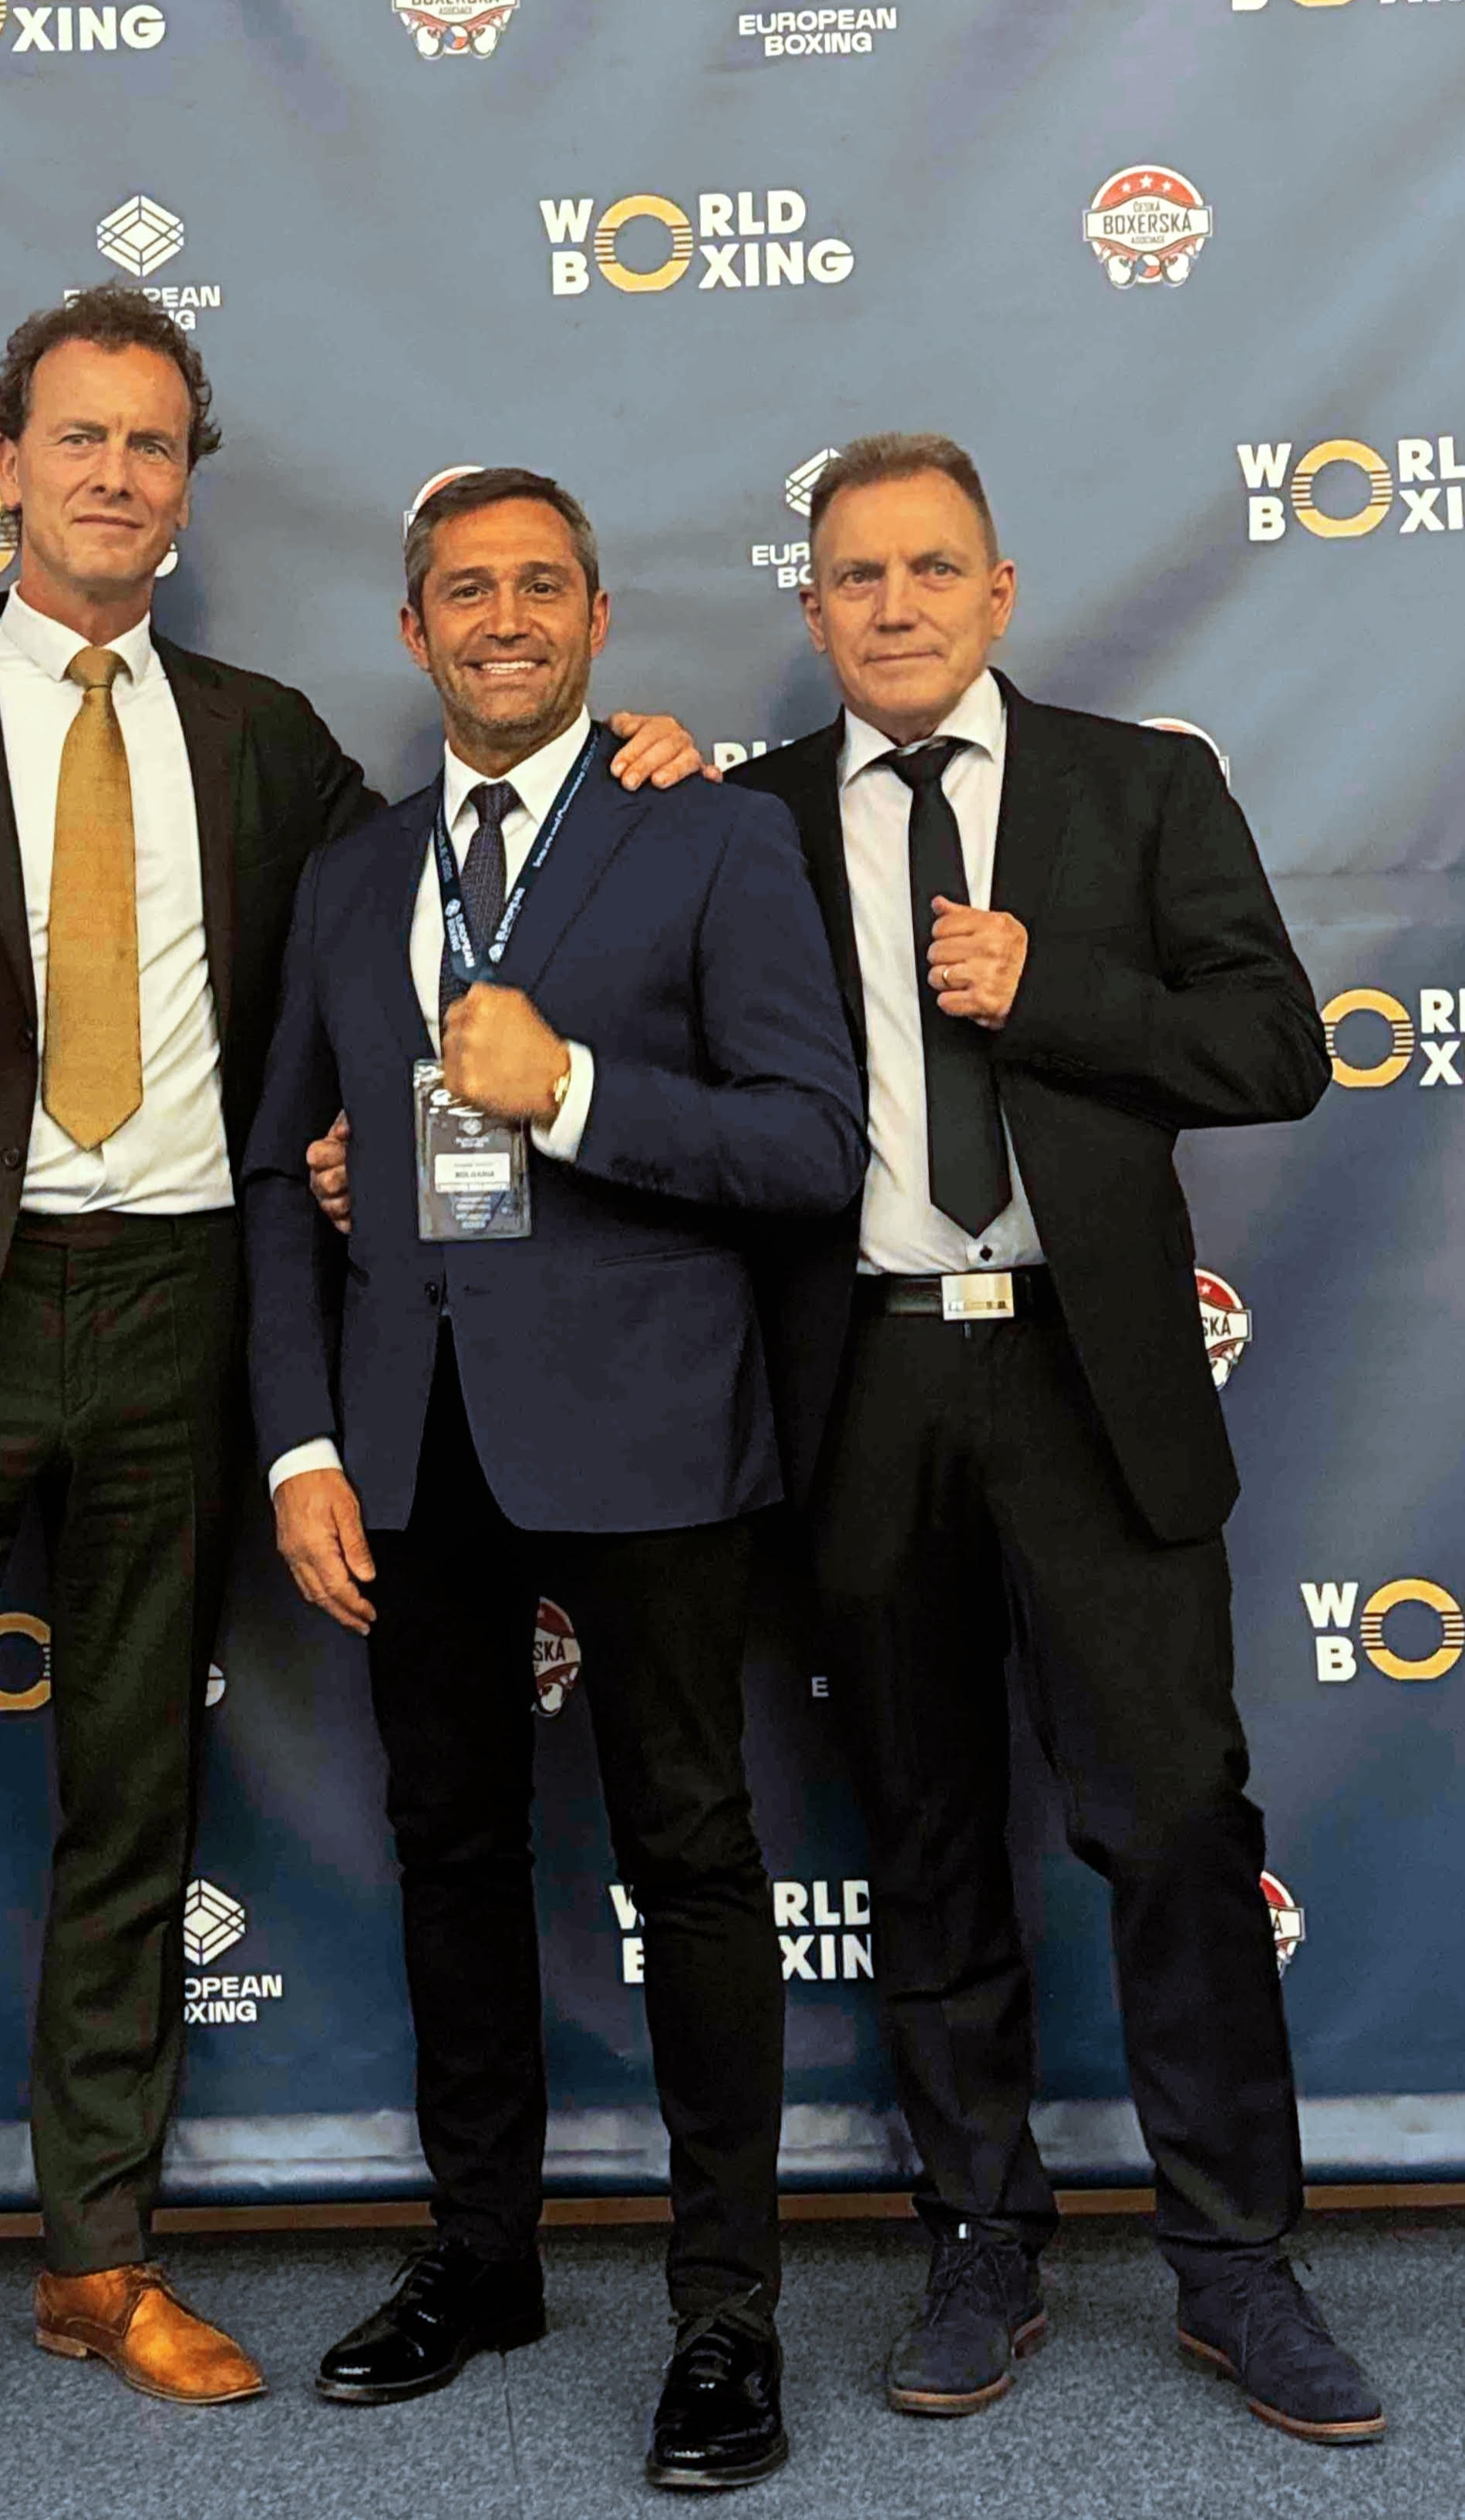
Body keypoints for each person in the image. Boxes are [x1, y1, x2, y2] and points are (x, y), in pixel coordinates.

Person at [0, 295, 706, 2509]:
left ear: (183, 487)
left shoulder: (258, 737)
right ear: (6, 469)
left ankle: (98, 2257)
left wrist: (653, 768)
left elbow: (445, 885)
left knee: (132, 1811)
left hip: (173, 1316)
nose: (117, 475)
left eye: (152, 445)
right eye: (80, 439)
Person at [723, 436, 1380, 2443]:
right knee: (925, 1838)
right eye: (856, 574)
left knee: (1174, 1820)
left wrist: (1052, 990)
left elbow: (1275, 1046)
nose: (895, 603)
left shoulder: (1136, 788)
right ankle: (978, 2240)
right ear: (811, 608)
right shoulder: (745, 822)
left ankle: (1234, 2262)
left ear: (999, 592)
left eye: (932, 567)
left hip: (1091, 1385)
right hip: (863, 1382)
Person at [245, 466, 864, 2491]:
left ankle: (724, 2308)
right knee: (448, 1850)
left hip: (650, 1424)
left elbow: (809, 1144)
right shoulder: (354, 874)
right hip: (411, 1438)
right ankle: (482, 2255)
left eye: (538, 585)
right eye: (463, 589)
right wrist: (304, 1437)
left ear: (598, 619)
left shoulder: (713, 835)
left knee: (690, 1853)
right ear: (412, 630)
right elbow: (284, 1176)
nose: (501, 617)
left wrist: (573, 1090)